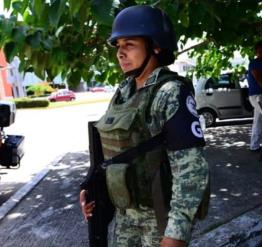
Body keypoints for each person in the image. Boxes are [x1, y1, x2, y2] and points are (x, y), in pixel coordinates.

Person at [79, 5, 209, 247]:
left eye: (129, 44)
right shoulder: (124, 91)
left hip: (158, 218)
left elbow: (191, 171)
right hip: (125, 215)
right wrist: (90, 186)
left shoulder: (171, 92)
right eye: (118, 46)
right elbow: (112, 147)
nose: (120, 53)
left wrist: (176, 233)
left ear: (155, 46)